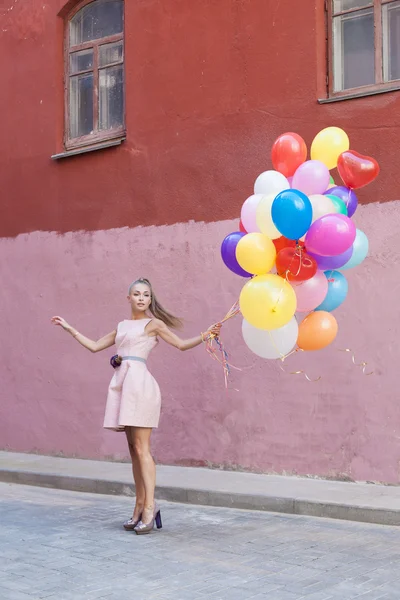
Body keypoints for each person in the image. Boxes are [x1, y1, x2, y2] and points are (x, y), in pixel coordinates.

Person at [51, 277, 221, 535]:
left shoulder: (154, 324)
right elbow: (96, 346)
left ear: (150, 300)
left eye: (146, 295)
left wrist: (205, 334)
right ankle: (139, 505)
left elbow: (181, 345)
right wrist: (69, 329)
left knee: (142, 448)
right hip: (123, 386)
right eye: (137, 294)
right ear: (128, 298)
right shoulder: (122, 326)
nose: (142, 298)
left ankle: (150, 508)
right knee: (132, 449)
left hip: (141, 387)